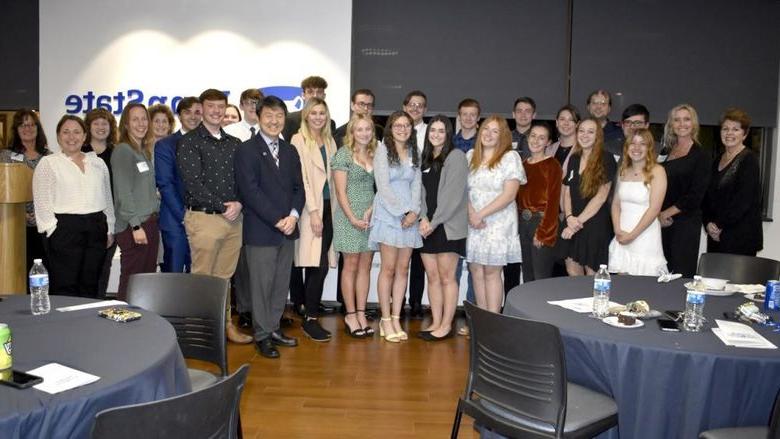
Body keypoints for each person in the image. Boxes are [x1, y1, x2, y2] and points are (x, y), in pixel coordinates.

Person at [177, 89, 250, 345]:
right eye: (211, 107)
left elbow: (244, 179)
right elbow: (193, 183)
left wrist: (239, 203)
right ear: (202, 109)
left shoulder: (234, 144)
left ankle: (224, 326)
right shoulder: (189, 142)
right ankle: (199, 332)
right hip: (205, 218)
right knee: (203, 279)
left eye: (221, 106)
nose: (217, 111)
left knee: (224, 279)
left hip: (233, 219)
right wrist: (223, 205)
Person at [234, 95, 305, 359]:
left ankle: (274, 328)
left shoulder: (289, 150)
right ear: (258, 117)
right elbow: (250, 192)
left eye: (279, 116)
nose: (274, 121)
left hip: (288, 228)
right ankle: (262, 335)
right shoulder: (246, 150)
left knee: (279, 284)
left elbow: (299, 188)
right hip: (262, 229)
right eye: (269, 116)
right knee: (261, 286)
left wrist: (294, 217)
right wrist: (278, 219)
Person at [32, 115, 115, 297]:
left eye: (77, 132)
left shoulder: (97, 163)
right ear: (58, 136)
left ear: (84, 136)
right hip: (64, 230)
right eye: (66, 132)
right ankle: (64, 324)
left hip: (96, 226)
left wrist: (109, 228)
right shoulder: (49, 163)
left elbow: (107, 197)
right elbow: (42, 201)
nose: (72, 137)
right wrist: (52, 230)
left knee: (91, 282)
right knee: (64, 285)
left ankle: (87, 323)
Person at [369, 110, 423, 342]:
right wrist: (402, 212)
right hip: (389, 214)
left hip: (409, 216)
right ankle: (385, 319)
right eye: (398, 125)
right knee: (388, 269)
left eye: (407, 126)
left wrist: (414, 212)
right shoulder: (382, 150)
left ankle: (396, 317)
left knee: (403, 270)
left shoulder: (414, 151)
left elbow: (417, 184)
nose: (402, 129)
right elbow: (383, 186)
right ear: (391, 128)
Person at [466, 115, 525, 314]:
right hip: (473, 222)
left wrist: (480, 214)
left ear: (503, 136)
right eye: (485, 129)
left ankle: (493, 318)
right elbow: (462, 191)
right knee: (476, 270)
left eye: (495, 131)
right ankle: (482, 319)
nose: (488, 134)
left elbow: (509, 195)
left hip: (498, 222)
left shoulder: (510, 157)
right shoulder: (470, 156)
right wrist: (472, 214)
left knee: (491, 272)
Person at [290, 97, 338, 341]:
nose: (318, 117)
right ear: (306, 115)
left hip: (331, 209)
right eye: (314, 113)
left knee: (319, 266)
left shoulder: (329, 141)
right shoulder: (298, 140)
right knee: (314, 264)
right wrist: (315, 212)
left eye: (322, 113)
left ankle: (310, 312)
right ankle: (310, 318)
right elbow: (303, 181)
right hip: (313, 211)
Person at [417, 116, 468, 341]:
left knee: (447, 278)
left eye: (441, 131)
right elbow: (420, 192)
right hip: (427, 225)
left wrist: (433, 222)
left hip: (447, 226)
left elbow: (452, 196)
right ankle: (436, 322)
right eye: (433, 130)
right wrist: (423, 218)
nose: (436, 134)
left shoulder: (456, 156)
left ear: (448, 134)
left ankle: (447, 325)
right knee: (433, 277)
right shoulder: (425, 157)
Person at [332, 114, 376, 338]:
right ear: (352, 132)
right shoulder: (343, 154)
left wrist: (371, 211)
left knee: (365, 266)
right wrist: (352, 218)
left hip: (370, 218)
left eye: (367, 129)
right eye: (359, 129)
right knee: (350, 266)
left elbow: (380, 188)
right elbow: (340, 192)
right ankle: (350, 315)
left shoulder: (375, 154)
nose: (364, 133)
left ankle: (361, 313)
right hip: (349, 218)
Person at [111, 103, 159, 299]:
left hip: (149, 222)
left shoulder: (142, 152)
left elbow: (137, 187)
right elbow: (123, 192)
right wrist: (136, 226)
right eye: (135, 119)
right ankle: (122, 321)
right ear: (126, 124)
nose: (141, 123)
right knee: (132, 280)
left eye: (143, 118)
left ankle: (140, 323)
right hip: (135, 227)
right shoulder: (123, 151)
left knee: (144, 280)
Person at [224, 88, 263, 329]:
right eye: (249, 102)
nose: (253, 106)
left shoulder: (272, 132)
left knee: (263, 262)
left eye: (257, 102)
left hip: (264, 208)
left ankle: (266, 311)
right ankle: (246, 309)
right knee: (242, 264)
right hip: (239, 206)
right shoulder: (229, 133)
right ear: (241, 104)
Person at [659, 104, 711, 277]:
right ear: (671, 124)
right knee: (661, 271)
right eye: (677, 120)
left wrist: (667, 212)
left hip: (685, 224)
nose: (682, 124)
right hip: (662, 222)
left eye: (686, 119)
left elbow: (696, 195)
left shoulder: (701, 155)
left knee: (681, 273)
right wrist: (659, 214)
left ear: (694, 123)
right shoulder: (665, 151)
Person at [702, 108, 762, 255]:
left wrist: (718, 225)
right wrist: (708, 222)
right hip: (716, 236)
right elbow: (707, 196)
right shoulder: (717, 159)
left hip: (740, 238)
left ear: (745, 134)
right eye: (725, 129)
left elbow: (743, 201)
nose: (729, 133)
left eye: (735, 129)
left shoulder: (749, 160)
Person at [561, 118, 616, 276]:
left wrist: (576, 223)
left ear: (598, 135)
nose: (585, 135)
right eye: (582, 131)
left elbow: (601, 197)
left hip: (594, 224)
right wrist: (569, 216)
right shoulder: (574, 158)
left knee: (593, 275)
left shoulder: (606, 158)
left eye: (590, 132)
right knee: (573, 271)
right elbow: (567, 191)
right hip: (572, 221)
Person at [608, 129, 668, 275]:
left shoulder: (657, 171)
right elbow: (616, 204)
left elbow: (654, 209)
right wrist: (617, 230)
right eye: (632, 143)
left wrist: (633, 235)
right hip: (622, 234)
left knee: (643, 284)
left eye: (642, 144)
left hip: (644, 236)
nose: (636, 148)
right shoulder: (623, 170)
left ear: (649, 148)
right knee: (622, 283)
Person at [0, 109, 50, 278]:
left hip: (44, 225)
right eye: (22, 125)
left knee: (44, 272)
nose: (27, 128)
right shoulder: (6, 156)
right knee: (19, 273)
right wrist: (22, 214)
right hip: (15, 225)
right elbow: (4, 191)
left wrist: (39, 214)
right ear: (16, 129)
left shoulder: (49, 157)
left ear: (38, 128)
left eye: (31, 124)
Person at [155, 97, 201, 275]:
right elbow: (165, 184)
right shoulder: (165, 145)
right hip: (176, 221)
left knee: (199, 276)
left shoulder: (209, 143)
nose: (193, 116)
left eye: (197, 112)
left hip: (204, 223)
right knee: (173, 275)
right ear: (180, 116)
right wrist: (185, 217)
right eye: (187, 112)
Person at [517, 122, 562, 282]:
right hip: (524, 224)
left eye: (541, 138)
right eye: (533, 136)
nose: (536, 141)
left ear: (548, 142)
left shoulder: (552, 165)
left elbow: (553, 202)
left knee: (540, 277)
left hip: (541, 223)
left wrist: (543, 232)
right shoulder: (522, 164)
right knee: (527, 275)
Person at [82, 108, 118, 297]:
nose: (101, 127)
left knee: (104, 266)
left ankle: (99, 301)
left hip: (111, 220)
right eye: (96, 123)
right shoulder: (80, 152)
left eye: (105, 123)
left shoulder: (117, 152)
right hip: (86, 219)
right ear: (88, 127)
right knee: (86, 267)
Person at [402, 90, 428, 318]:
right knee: (399, 260)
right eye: (412, 104)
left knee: (418, 259)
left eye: (420, 106)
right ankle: (397, 303)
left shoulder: (430, 133)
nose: (415, 108)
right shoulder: (394, 133)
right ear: (404, 107)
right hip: (398, 204)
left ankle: (416, 302)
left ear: (425, 110)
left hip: (421, 200)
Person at [282, 75, 335, 141]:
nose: (315, 96)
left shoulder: (330, 123)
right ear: (303, 95)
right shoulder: (290, 120)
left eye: (319, 92)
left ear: (324, 96)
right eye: (310, 92)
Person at [546, 105, 580, 170]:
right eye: (562, 119)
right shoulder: (548, 150)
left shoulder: (583, 150)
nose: (566, 123)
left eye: (571, 120)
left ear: (577, 124)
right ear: (557, 123)